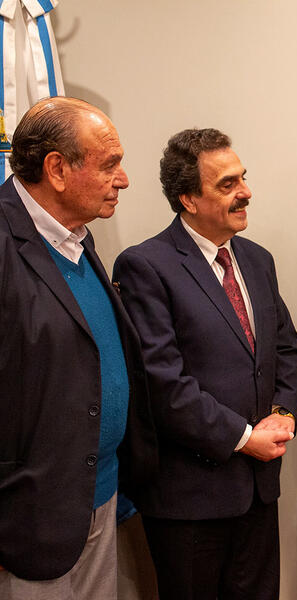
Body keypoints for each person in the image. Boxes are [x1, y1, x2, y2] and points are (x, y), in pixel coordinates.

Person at [113, 128, 297, 600]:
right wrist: (244, 439)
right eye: (227, 184)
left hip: (259, 491)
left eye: (243, 178)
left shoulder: (257, 260)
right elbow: (163, 384)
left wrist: (283, 414)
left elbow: (286, 351)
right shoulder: (146, 266)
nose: (246, 192)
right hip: (190, 499)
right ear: (187, 199)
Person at [0, 97, 157, 599]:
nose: (125, 179)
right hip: (29, 518)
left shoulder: (75, 239)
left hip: (100, 497)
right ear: (57, 169)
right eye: (110, 164)